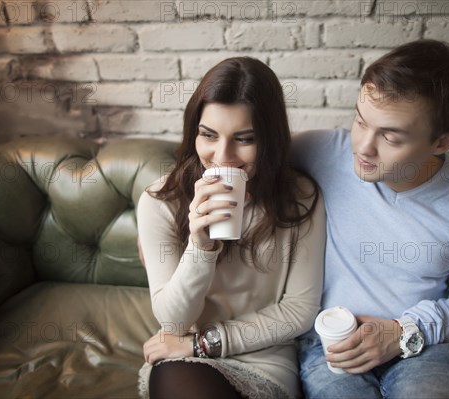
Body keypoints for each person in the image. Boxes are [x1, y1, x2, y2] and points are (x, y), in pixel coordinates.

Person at [292, 39, 449, 398]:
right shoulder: (321, 151)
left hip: (425, 347)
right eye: (361, 121)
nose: (363, 147)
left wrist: (403, 331)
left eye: (389, 136)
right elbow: (244, 153)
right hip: (329, 341)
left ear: (443, 141)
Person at [136, 57, 325, 399]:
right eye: (208, 135)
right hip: (185, 360)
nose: (223, 156)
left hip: (264, 360)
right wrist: (200, 246)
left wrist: (204, 343)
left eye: (244, 139)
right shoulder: (160, 203)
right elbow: (173, 323)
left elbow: (299, 310)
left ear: (271, 139)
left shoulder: (300, 198)